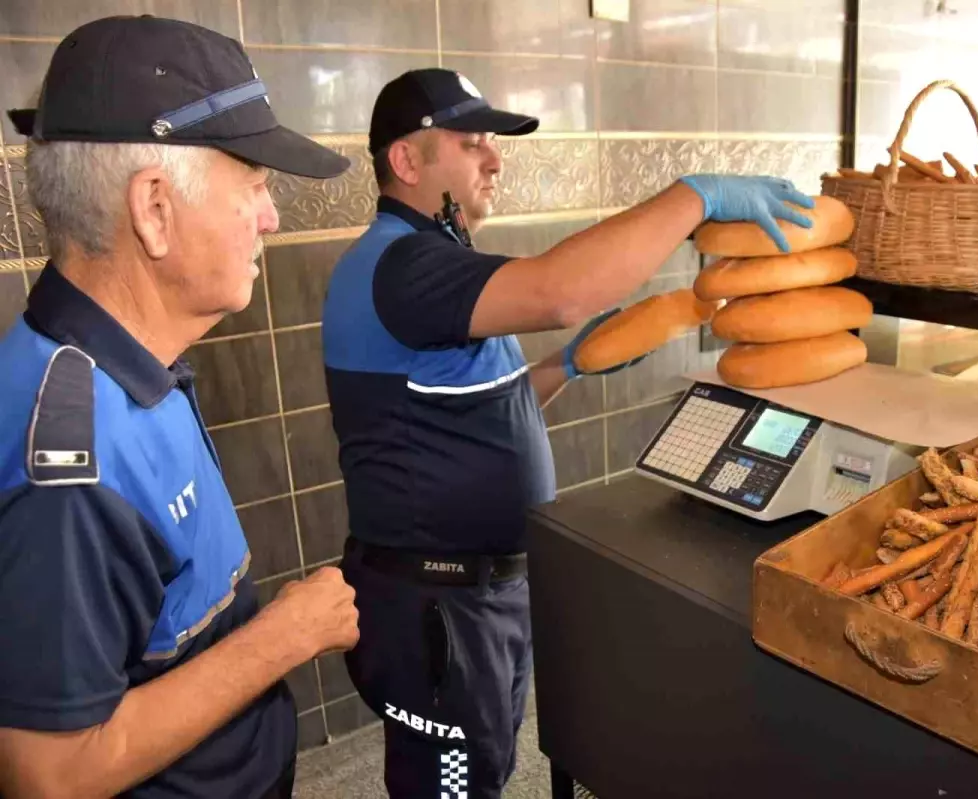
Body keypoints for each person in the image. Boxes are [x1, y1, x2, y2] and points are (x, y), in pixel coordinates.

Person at [321, 66, 814, 798]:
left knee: (482, 769)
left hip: (474, 600)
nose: (494, 159)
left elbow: (480, 408)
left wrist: (571, 364)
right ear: (407, 159)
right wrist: (695, 196)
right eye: (470, 142)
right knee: (450, 787)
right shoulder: (402, 266)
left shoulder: (438, 270)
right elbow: (558, 291)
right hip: (437, 615)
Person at [0, 16, 360, 799]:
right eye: (257, 188)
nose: (269, 218)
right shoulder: (68, 465)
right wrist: (284, 637)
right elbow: (50, 774)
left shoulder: (126, 362)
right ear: (154, 209)